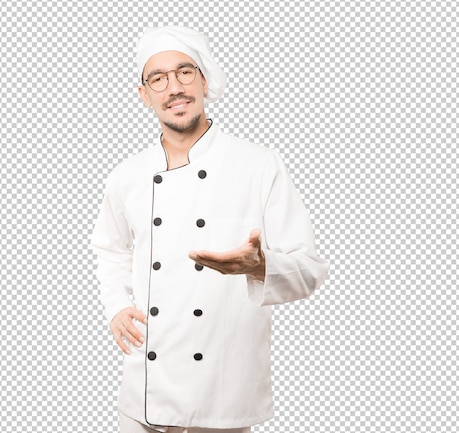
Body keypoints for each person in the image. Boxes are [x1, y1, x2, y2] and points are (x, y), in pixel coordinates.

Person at [91, 26, 329, 433]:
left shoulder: (259, 165)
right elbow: (110, 249)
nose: (174, 88)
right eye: (158, 79)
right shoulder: (126, 175)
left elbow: (309, 268)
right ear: (144, 95)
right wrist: (115, 305)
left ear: (204, 80)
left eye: (185, 72)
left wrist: (259, 266)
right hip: (142, 396)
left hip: (222, 398)